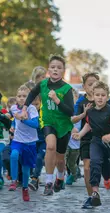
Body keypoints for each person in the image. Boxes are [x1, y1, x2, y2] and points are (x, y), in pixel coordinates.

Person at [22, 55, 74, 196]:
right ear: (48, 69)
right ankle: (49, 182)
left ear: (63, 71)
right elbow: (32, 93)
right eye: (52, 67)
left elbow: (70, 111)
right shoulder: (43, 84)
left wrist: (57, 100)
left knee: (60, 159)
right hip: (47, 121)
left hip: (63, 125)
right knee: (50, 146)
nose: (55, 70)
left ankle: (60, 176)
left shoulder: (66, 88)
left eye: (59, 67)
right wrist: (25, 107)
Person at [72, 81, 110, 208]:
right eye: (97, 95)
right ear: (93, 95)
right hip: (96, 141)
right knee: (94, 163)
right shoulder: (90, 110)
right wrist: (80, 135)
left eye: (103, 95)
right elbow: (89, 124)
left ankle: (107, 179)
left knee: (107, 170)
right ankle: (95, 192)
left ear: (107, 97)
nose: (100, 98)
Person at [10, 85, 39, 201]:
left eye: (24, 96)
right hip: (18, 140)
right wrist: (12, 126)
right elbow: (13, 119)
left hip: (30, 142)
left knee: (26, 170)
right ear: (16, 98)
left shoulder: (32, 109)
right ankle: (13, 181)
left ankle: (25, 188)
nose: (21, 98)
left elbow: (36, 124)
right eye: (19, 96)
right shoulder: (13, 108)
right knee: (13, 155)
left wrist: (23, 119)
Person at [65, 89, 81, 185]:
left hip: (75, 143)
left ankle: (75, 173)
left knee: (72, 163)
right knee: (63, 160)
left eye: (72, 98)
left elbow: (80, 126)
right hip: (66, 141)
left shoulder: (78, 111)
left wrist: (77, 131)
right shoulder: (64, 110)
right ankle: (61, 178)